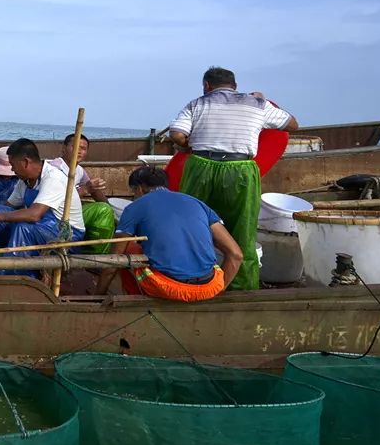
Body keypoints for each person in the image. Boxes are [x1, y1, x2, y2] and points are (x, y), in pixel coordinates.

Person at [168, 66, 297, 290]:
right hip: (240, 168)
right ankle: (241, 286)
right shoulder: (257, 104)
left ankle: (187, 279)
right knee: (242, 230)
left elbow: (177, 134)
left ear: (207, 86)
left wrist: (189, 147)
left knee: (191, 223)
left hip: (201, 166)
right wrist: (262, 99)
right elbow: (292, 124)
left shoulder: (197, 103)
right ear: (235, 86)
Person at [96, 166, 243, 301]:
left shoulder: (135, 207)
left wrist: (98, 296)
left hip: (168, 288)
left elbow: (114, 261)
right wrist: (218, 292)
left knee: (127, 249)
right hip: (209, 288)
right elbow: (236, 255)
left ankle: (136, 301)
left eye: (134, 192)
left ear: (139, 189)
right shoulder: (198, 203)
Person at [0, 139, 84, 267]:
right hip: (42, 224)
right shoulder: (25, 180)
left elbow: (34, 214)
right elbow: (7, 207)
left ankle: (17, 273)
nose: (13, 169)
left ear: (25, 162)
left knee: (23, 229)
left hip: (68, 234)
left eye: (13, 165)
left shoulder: (53, 178)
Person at [52, 135, 115, 250]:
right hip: (57, 216)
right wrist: (85, 189)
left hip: (72, 215)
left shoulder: (79, 170)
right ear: (64, 148)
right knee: (103, 211)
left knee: (106, 209)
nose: (79, 151)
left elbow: (94, 191)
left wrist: (112, 211)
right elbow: (58, 200)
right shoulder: (55, 168)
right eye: (75, 147)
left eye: (83, 149)